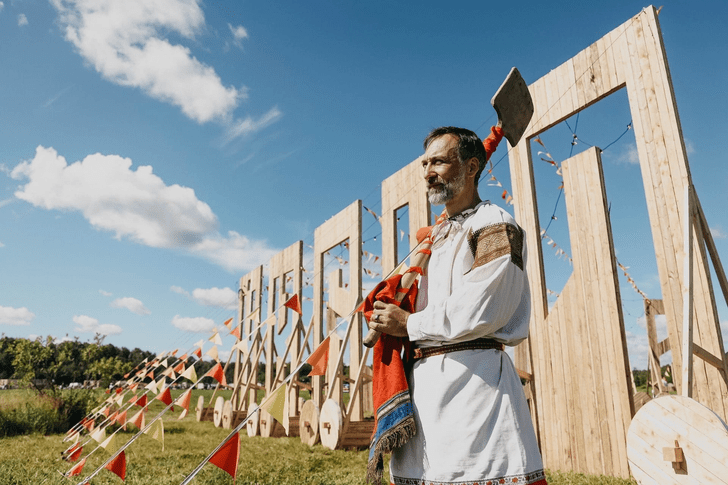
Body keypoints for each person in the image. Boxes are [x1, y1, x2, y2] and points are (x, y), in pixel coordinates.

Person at [368, 127, 547, 485]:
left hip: (475, 386)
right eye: (425, 164)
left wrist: (409, 324)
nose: (428, 172)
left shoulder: (495, 224)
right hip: (426, 389)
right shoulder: (438, 236)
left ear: (470, 167)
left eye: (439, 161)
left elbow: (485, 307)